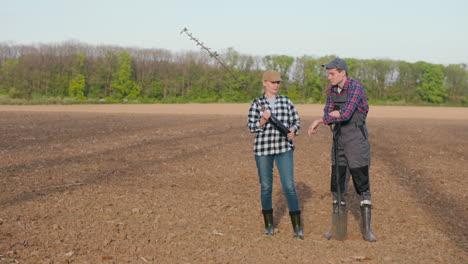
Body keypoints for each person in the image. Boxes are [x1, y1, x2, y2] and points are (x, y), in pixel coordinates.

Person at [308, 58, 377, 242]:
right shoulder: (332, 90)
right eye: (328, 74)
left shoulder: (355, 87)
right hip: (338, 140)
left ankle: (367, 230)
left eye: (331, 74)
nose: (328, 77)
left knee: (362, 185)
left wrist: (325, 119)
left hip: (357, 142)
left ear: (342, 73)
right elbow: (327, 111)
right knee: (337, 184)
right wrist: (330, 116)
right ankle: (337, 228)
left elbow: (345, 114)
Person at [247, 70, 303, 239]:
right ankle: (269, 226)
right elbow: (251, 127)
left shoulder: (286, 102)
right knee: (266, 187)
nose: (276, 85)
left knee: (289, 187)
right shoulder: (256, 104)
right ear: (264, 83)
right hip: (263, 151)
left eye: (278, 82)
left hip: (283, 150)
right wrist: (263, 120)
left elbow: (296, 122)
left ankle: (297, 229)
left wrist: (293, 130)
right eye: (272, 82)